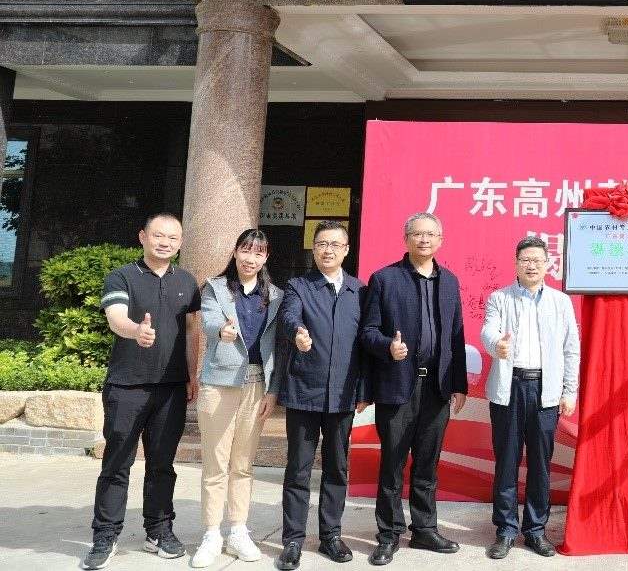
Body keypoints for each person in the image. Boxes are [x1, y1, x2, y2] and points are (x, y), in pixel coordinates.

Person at [82, 213, 201, 571]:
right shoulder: (122, 276)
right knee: (117, 463)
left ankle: (159, 530)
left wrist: (192, 374)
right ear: (143, 237)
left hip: (171, 389)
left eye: (173, 238)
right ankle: (105, 535)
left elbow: (192, 331)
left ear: (180, 243)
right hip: (127, 386)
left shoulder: (186, 281)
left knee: (163, 465)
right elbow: (116, 317)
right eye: (158, 235)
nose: (165, 243)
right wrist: (136, 330)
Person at [361, 212, 468, 566]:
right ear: (406, 239)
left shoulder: (449, 281)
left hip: (437, 387)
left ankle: (424, 529)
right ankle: (389, 534)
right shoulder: (385, 279)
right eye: (418, 234)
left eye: (431, 234)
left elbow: (456, 336)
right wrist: (387, 347)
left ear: (440, 240)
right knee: (392, 463)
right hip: (397, 387)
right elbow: (368, 332)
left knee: (427, 463)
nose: (424, 240)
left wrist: (459, 384)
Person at [479, 236, 580, 560]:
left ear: (548, 264)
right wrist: (497, 345)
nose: (531, 265)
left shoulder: (560, 302)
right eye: (525, 260)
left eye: (537, 260)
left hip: (545, 391)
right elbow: (488, 330)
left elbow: (571, 349)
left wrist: (569, 391)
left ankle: (536, 530)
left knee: (540, 464)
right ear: (516, 263)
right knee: (506, 462)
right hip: (509, 388)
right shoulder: (500, 298)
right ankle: (506, 530)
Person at [276, 220, 369, 570]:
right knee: (298, 469)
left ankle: (331, 535)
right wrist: (297, 332)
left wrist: (363, 390)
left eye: (334, 244)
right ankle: (293, 540)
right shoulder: (299, 286)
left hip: (343, 396)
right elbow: (288, 316)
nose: (327, 250)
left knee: (337, 468)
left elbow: (365, 344)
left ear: (346, 250)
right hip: (304, 392)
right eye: (321, 244)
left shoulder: (359, 291)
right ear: (313, 249)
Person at [191, 228, 283, 567]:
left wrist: (273, 391)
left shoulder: (275, 296)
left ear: (266, 257)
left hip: (257, 385)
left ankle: (238, 530)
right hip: (219, 384)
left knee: (243, 464)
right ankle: (211, 533)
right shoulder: (215, 288)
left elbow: (277, 347)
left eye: (258, 252)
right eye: (245, 250)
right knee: (216, 463)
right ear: (235, 252)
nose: (250, 258)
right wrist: (222, 331)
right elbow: (209, 322)